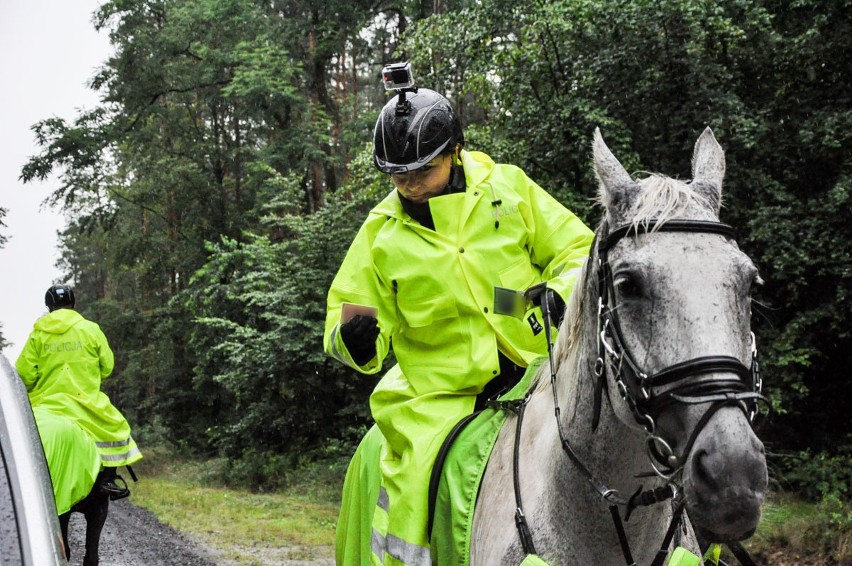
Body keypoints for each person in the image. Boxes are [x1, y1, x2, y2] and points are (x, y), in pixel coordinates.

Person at [323, 86, 594, 565]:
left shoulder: (507, 189)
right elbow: (349, 311)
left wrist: (561, 292)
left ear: (455, 151)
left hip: (539, 362)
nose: (410, 185)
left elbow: (579, 250)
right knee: (412, 481)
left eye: (423, 170)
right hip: (441, 394)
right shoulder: (379, 235)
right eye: (398, 175)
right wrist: (354, 338)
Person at [16, 284, 142, 498]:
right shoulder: (90, 329)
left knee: (23, 434)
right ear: (73, 304)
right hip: (86, 401)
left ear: (49, 307)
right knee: (116, 427)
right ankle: (108, 480)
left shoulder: (38, 335)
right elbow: (108, 366)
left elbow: (24, 374)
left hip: (47, 404)